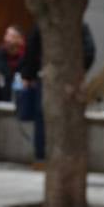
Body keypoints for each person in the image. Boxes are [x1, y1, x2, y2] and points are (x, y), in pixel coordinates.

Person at [17, 21, 95, 164]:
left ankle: (42, 156)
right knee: (66, 115)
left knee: (43, 116)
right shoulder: (79, 26)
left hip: (46, 77)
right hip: (68, 79)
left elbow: (31, 51)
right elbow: (89, 52)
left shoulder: (43, 24)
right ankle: (64, 155)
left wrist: (29, 75)